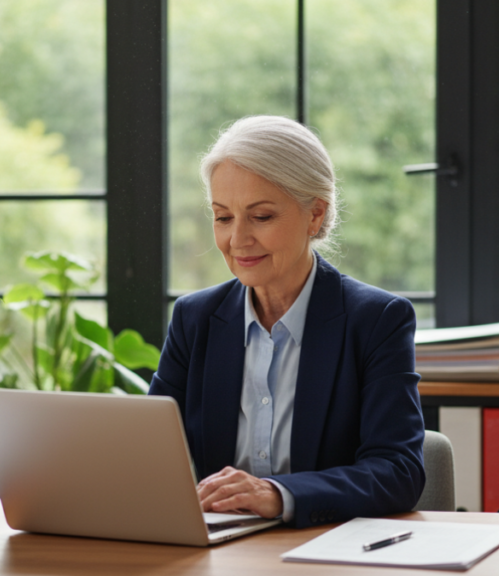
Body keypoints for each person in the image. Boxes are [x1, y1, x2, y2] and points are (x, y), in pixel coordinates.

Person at [149, 115, 425, 528]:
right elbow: (151, 457)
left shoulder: (377, 320)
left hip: (323, 551)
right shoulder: (195, 319)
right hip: (215, 551)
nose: (237, 239)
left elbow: (398, 471)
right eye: (223, 217)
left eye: (260, 217)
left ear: (314, 215)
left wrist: (278, 495)